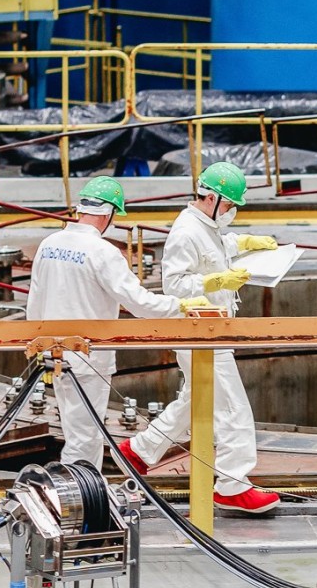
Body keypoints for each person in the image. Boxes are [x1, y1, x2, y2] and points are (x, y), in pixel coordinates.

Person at [116, 161, 282, 514]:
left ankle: (139, 450)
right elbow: (174, 285)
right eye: (230, 204)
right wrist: (217, 281)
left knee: (197, 400)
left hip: (210, 329)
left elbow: (216, 247)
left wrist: (245, 243)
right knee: (233, 408)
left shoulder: (207, 225)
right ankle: (232, 486)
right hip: (198, 330)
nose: (233, 211)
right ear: (211, 198)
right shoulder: (185, 231)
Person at [25, 176, 208, 468]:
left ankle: (79, 485)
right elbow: (138, 302)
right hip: (88, 357)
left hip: (53, 354)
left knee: (75, 428)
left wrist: (38, 345)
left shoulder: (49, 244)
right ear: (109, 214)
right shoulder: (103, 252)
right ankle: (80, 488)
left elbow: (35, 300)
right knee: (86, 435)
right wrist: (180, 305)